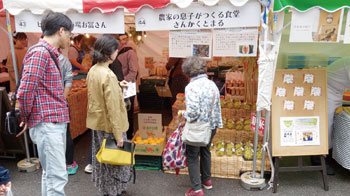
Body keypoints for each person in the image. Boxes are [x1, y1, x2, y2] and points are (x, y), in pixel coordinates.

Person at [16, 12, 73, 195]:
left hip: (50, 123)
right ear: (61, 31)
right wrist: (25, 116)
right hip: (48, 124)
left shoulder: (47, 53)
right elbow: (25, 90)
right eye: (69, 34)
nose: (70, 39)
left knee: (51, 176)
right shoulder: (41, 53)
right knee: (56, 178)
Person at [86, 34, 130, 196]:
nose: (117, 52)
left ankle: (104, 189)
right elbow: (113, 109)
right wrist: (118, 135)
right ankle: (114, 191)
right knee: (115, 160)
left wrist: (118, 85)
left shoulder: (94, 70)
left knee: (101, 159)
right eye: (116, 49)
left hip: (97, 122)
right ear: (110, 52)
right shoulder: (108, 75)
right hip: (110, 125)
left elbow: (97, 93)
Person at [181, 56, 223, 196]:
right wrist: (217, 124)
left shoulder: (191, 87)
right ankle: (207, 181)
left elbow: (193, 112)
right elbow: (217, 107)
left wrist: (184, 115)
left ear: (188, 71)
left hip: (197, 127)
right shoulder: (212, 84)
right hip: (210, 126)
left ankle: (197, 189)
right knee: (206, 151)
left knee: (192, 156)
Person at [322, 57, 350, 175]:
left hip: (337, 90)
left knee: (336, 123)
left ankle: (332, 156)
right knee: (327, 125)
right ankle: (322, 159)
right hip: (326, 88)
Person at [59, 46, 78, 175]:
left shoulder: (36, 56)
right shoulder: (64, 61)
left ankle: (57, 165)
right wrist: (63, 99)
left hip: (46, 107)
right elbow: (68, 82)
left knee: (53, 137)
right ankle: (69, 164)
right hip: (61, 103)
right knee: (65, 134)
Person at [118, 33, 138, 140]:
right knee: (121, 112)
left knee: (128, 112)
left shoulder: (130, 52)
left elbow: (133, 72)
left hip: (128, 86)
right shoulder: (115, 53)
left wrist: (121, 83)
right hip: (119, 85)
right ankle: (123, 136)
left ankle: (129, 136)